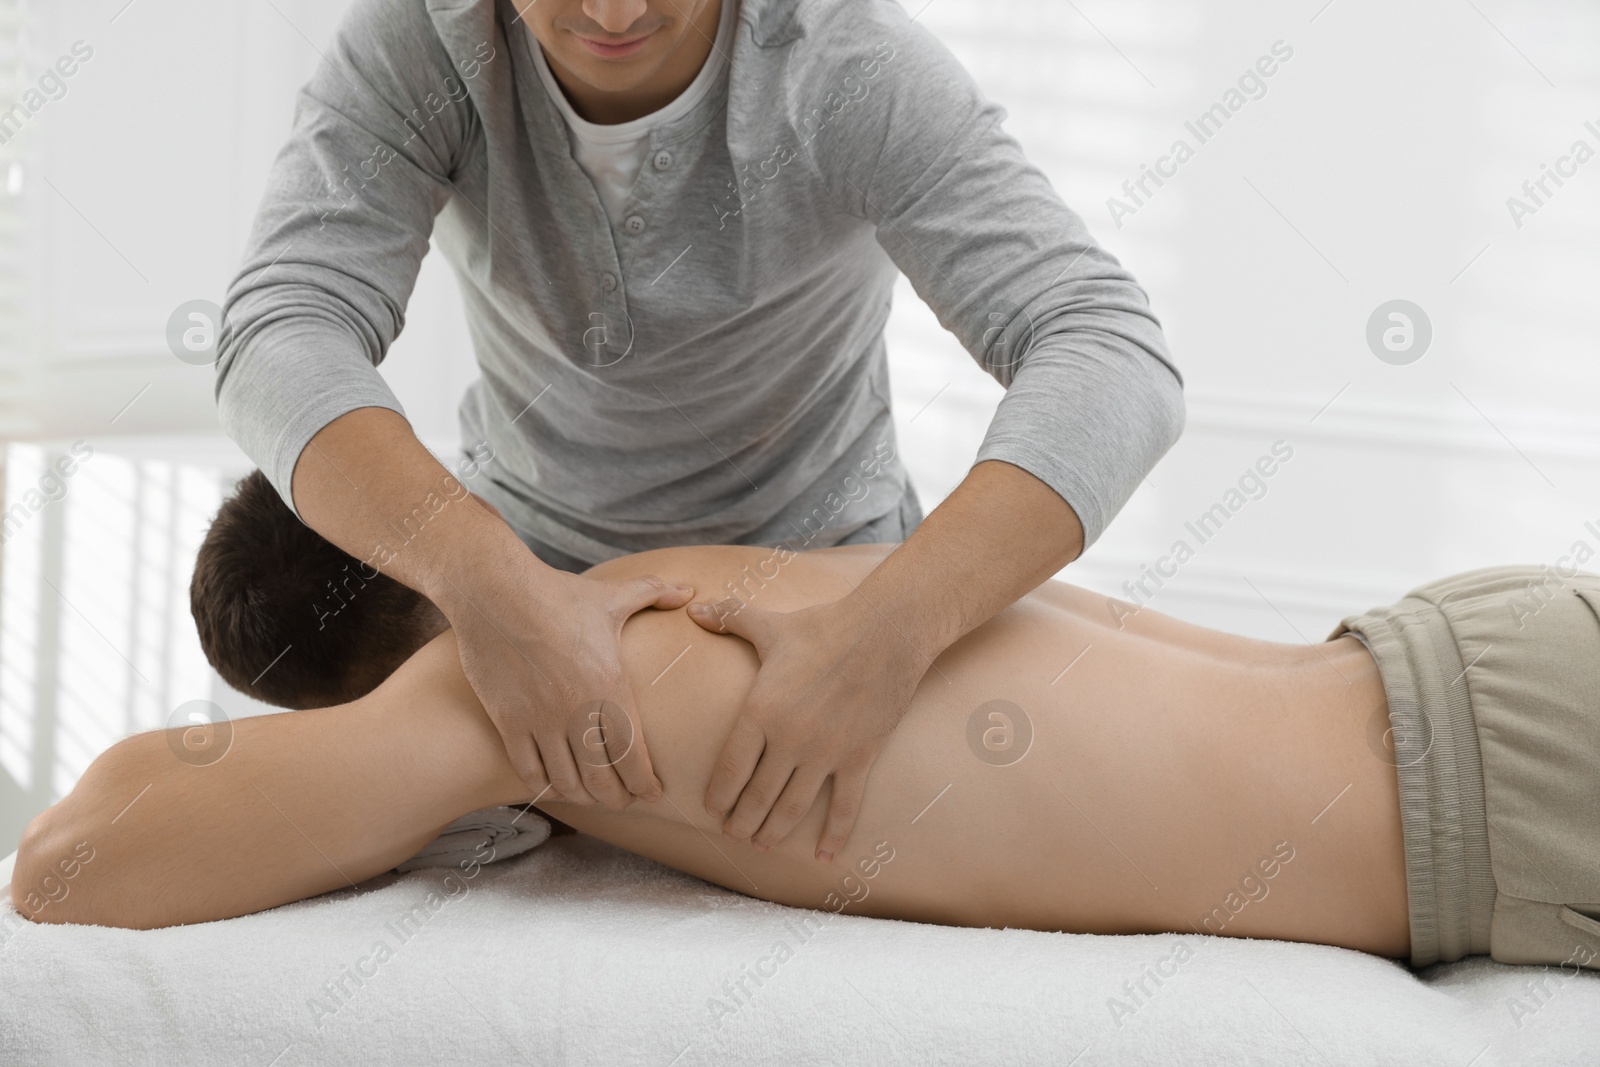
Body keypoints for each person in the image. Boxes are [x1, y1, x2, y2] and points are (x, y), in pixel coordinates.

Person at [212, 0, 1186, 860]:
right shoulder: (423, 40)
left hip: (815, 609)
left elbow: (1108, 350)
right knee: (256, 606)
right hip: (532, 591)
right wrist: (486, 582)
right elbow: (280, 325)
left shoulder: (844, 64)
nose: (612, 10)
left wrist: (889, 631)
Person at [13, 473, 1600, 977]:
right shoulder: (659, 591)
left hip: (1501, 771)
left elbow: (68, 867)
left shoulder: (522, 687)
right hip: (1466, 675)